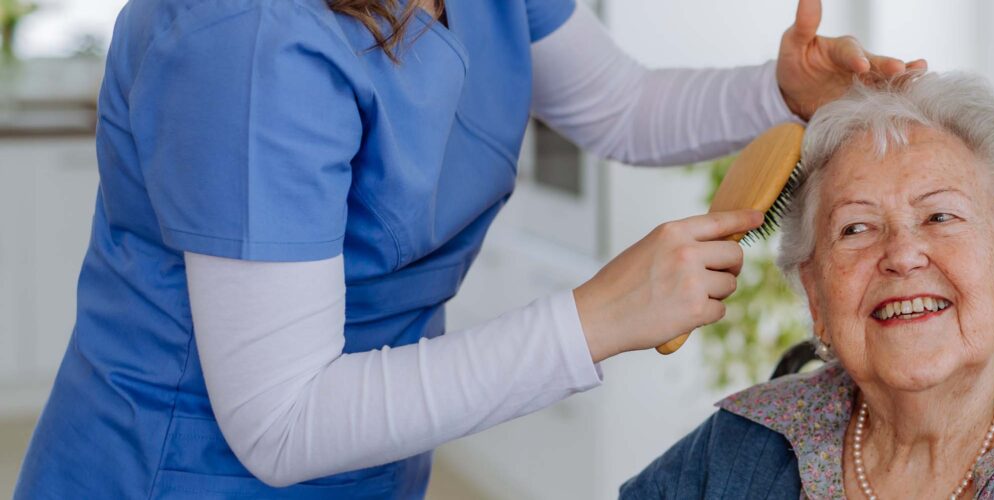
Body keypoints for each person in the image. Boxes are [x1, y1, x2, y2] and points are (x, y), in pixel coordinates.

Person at [14, 0, 927, 497]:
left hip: (372, 456)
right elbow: (283, 424)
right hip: (183, 472)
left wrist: (776, 87)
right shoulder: (248, 35)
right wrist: (596, 318)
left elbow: (620, 106)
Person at [622, 73, 994, 499]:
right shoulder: (739, 443)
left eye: (940, 217)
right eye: (856, 228)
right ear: (818, 298)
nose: (900, 254)